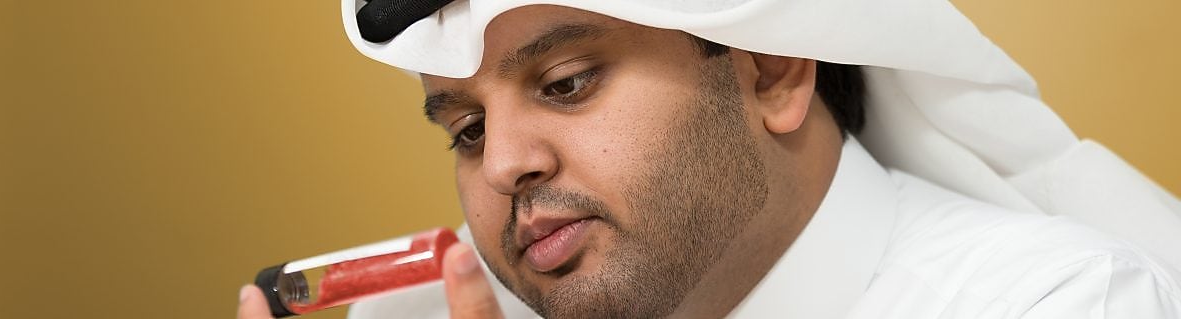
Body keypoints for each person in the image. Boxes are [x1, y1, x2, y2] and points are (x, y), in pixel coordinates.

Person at [238, 1, 1181, 318]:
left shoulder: (1063, 303)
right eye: (467, 129)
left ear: (771, 70)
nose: (502, 167)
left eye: (565, 83)